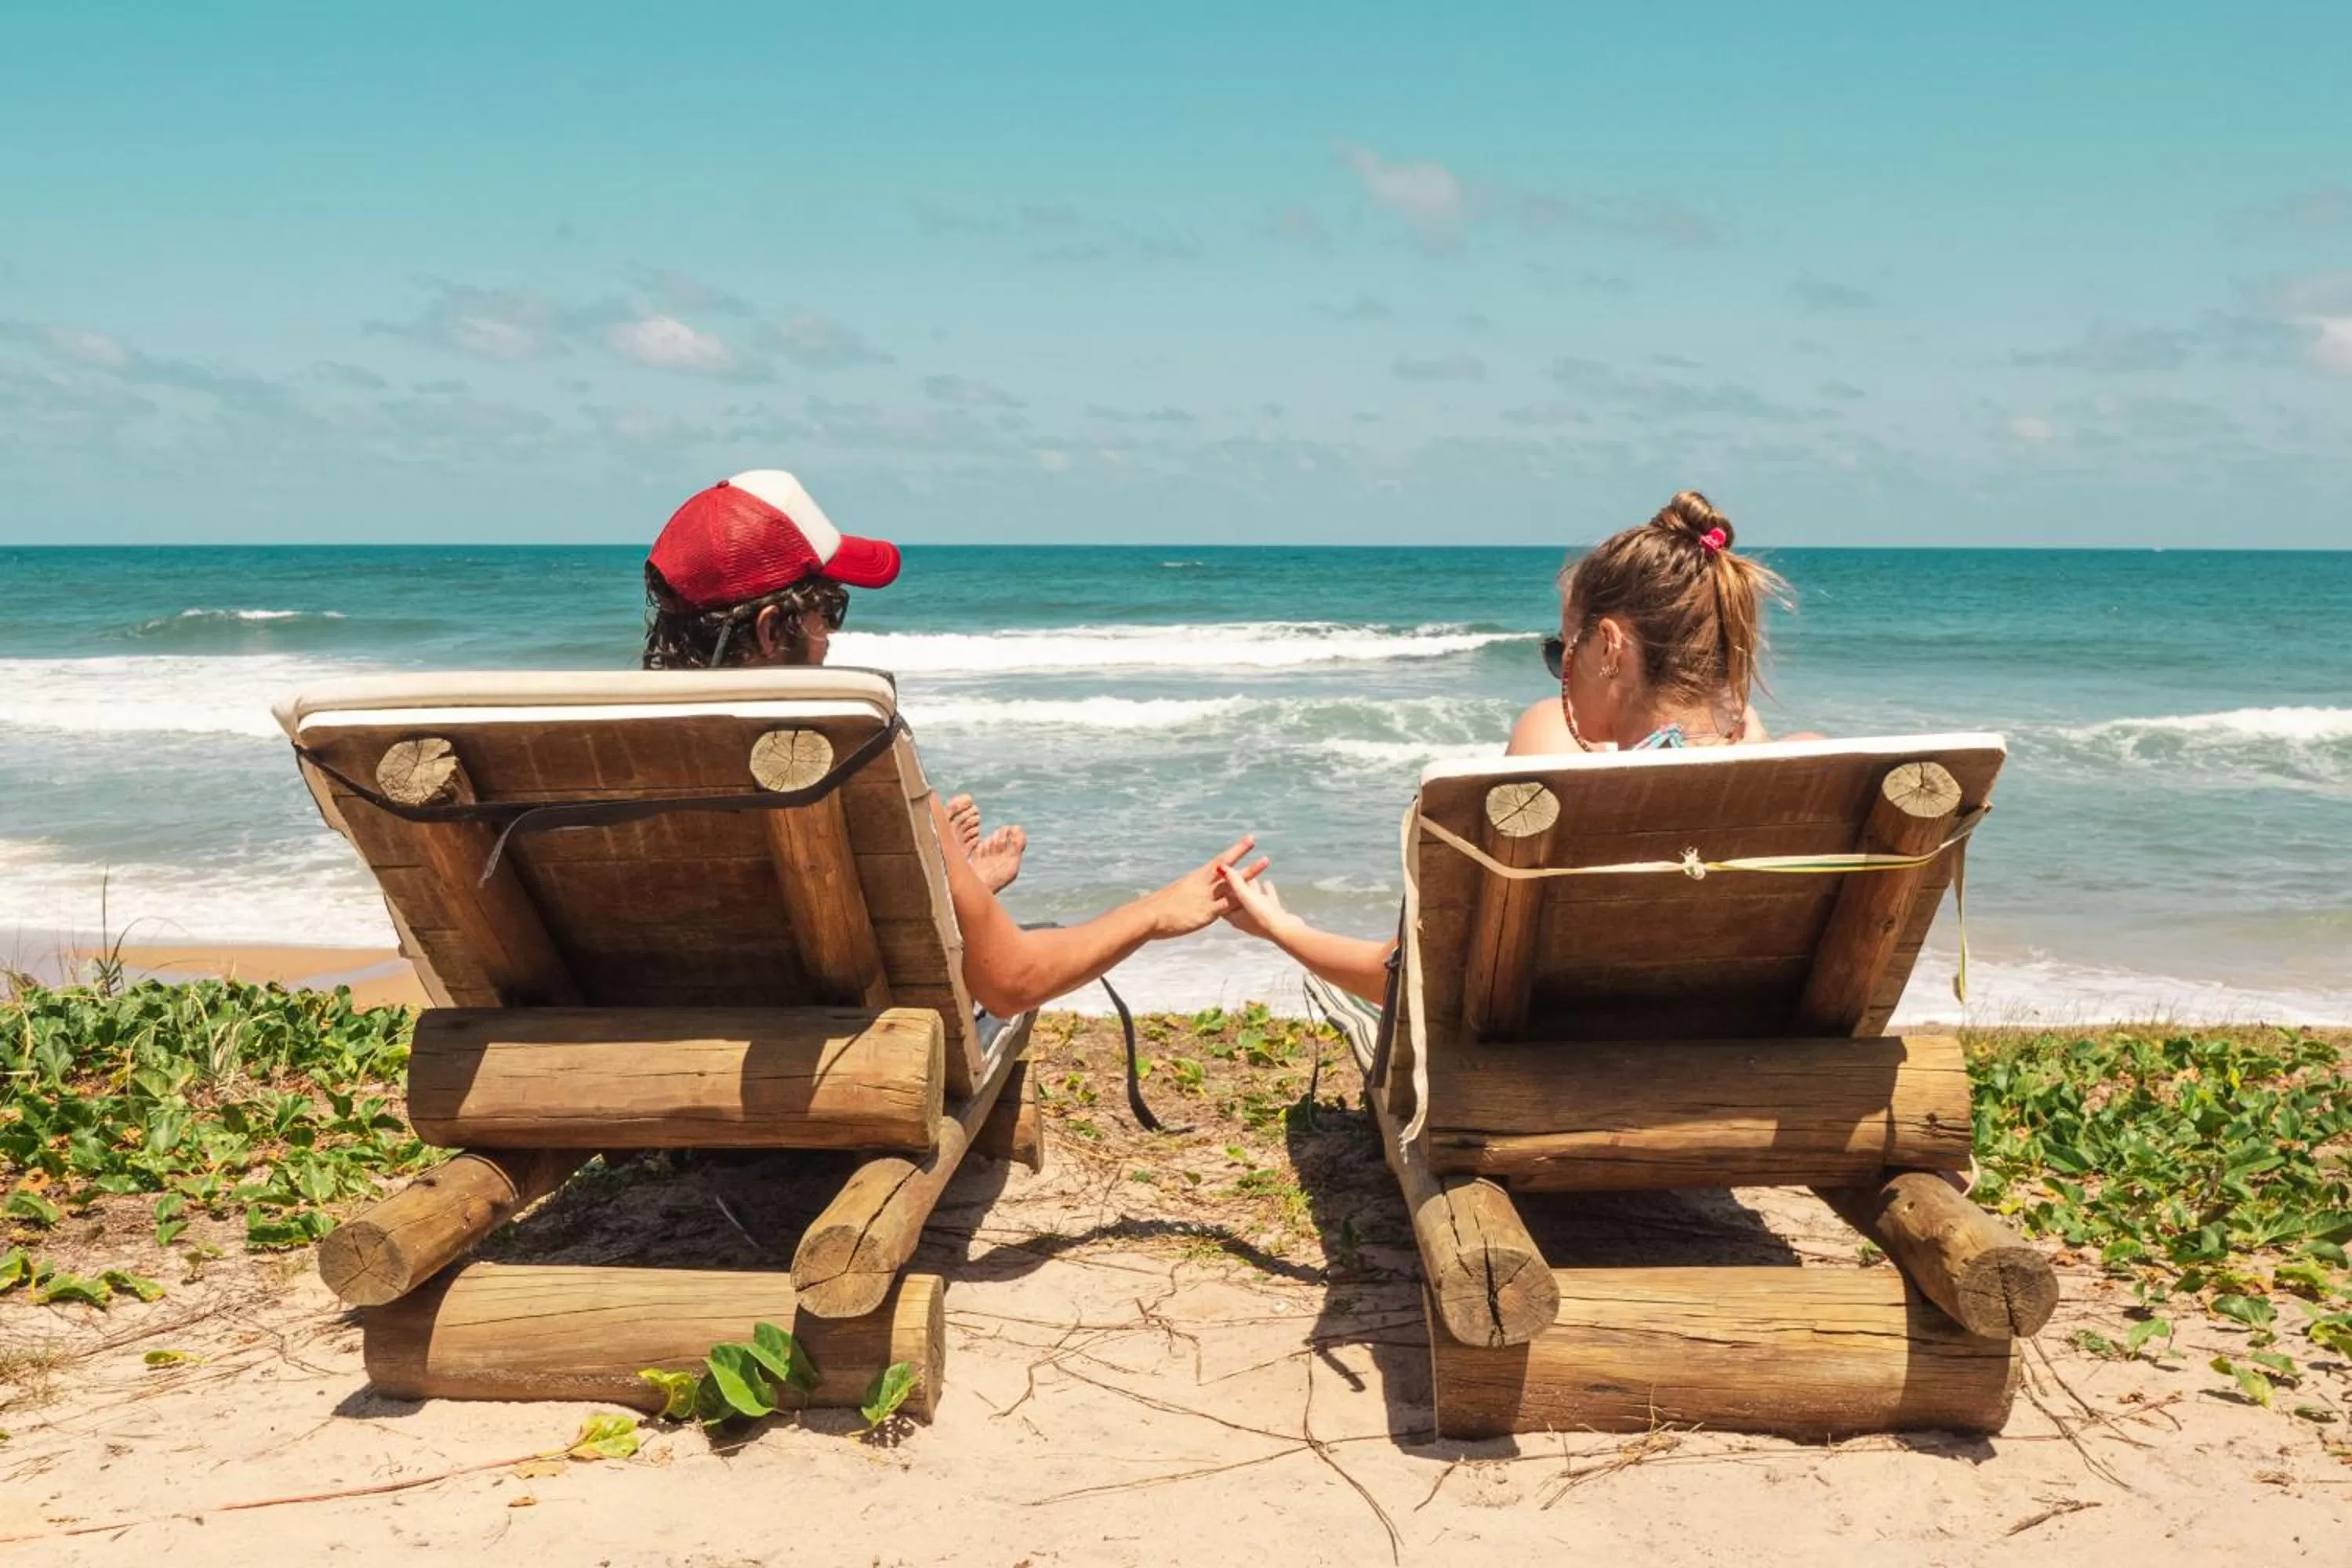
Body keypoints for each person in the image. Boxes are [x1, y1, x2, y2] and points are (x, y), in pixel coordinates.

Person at [642, 469, 1266, 1019]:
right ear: (771, 629)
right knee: (1023, 943)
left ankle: (949, 893)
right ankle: (954, 890)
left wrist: (952, 887)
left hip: (653, 1040)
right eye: (829, 609)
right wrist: (1156, 912)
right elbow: (1011, 983)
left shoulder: (619, 755)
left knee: (946, 889)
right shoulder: (863, 751)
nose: (832, 634)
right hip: (852, 1056)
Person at [1215, 490, 1794, 1002]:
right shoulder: (1797, 783)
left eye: (1563, 650)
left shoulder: (1553, 766)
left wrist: (1280, 928)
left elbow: (1412, 983)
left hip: (1560, 1076)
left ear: (1609, 647)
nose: (1560, 669)